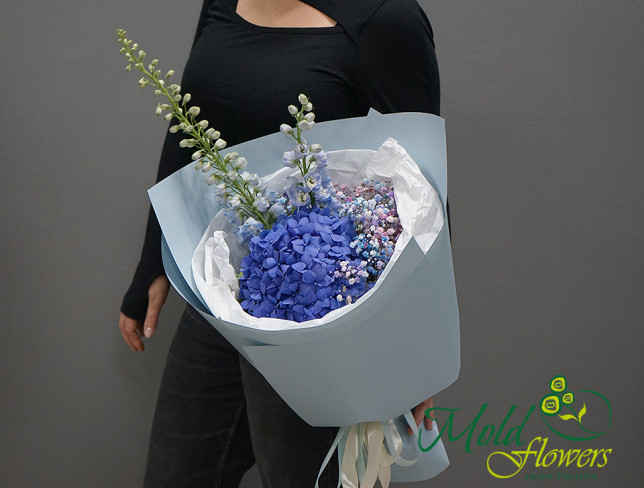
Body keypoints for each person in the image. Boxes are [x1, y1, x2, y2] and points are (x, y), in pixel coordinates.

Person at [118, 0, 441, 486]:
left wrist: (419, 353)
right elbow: (187, 123)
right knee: (175, 474)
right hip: (223, 291)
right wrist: (153, 261)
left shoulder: (384, 19)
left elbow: (424, 188)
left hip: (320, 319)